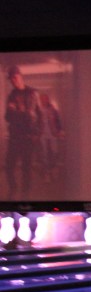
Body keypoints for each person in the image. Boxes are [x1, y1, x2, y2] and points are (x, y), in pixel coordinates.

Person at [4, 66, 42, 196]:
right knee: (9, 166)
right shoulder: (11, 96)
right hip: (15, 136)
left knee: (27, 167)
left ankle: (25, 193)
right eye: (11, 79)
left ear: (20, 76)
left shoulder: (33, 93)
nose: (13, 81)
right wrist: (11, 110)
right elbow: (7, 117)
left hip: (29, 136)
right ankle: (13, 188)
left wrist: (38, 134)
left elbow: (40, 114)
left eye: (15, 77)